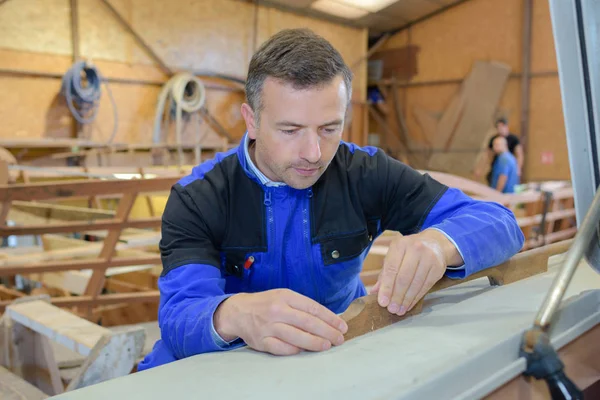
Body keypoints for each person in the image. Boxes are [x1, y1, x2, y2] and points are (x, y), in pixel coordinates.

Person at [138, 28, 524, 371]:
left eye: (329, 128)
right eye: (290, 129)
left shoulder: (365, 173)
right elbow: (178, 315)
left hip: (335, 356)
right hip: (225, 369)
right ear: (251, 120)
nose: (313, 152)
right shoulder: (200, 196)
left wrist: (440, 246)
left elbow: (500, 223)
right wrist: (231, 315)